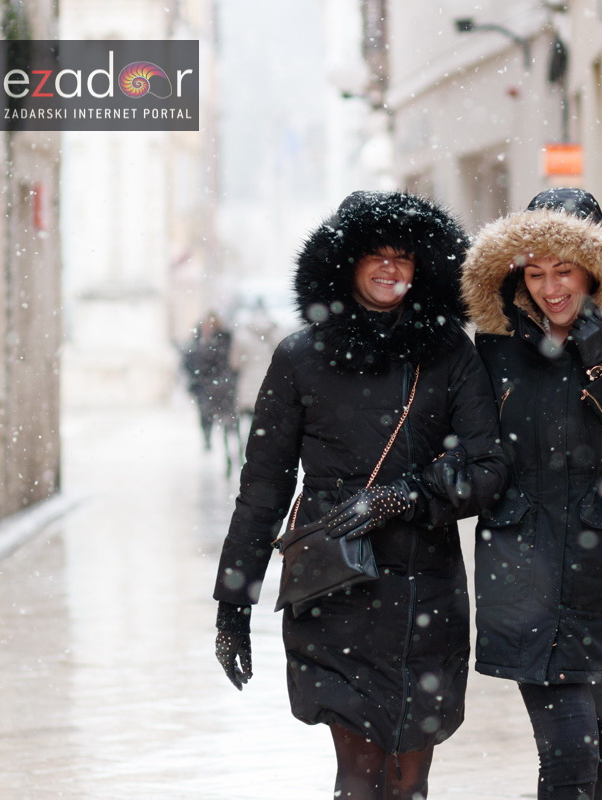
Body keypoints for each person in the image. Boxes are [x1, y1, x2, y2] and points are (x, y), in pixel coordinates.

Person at [212, 191, 509, 799]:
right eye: (374, 255)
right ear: (345, 263)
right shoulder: (300, 357)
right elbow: (264, 488)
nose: (389, 268)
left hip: (425, 587)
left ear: (422, 265)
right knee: (359, 777)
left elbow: (486, 466)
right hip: (336, 588)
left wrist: (405, 496)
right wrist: (233, 601)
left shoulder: (449, 353)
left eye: (402, 256)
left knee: (408, 783)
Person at [460, 187, 602, 800]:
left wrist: (598, 362)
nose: (549, 287)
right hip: (525, 575)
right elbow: (470, 447)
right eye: (534, 273)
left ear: (596, 267)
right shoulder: (497, 346)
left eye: (564, 270)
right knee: (570, 760)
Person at [182, 311, 240, 461]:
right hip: (203, 384)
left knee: (226, 416)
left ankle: (230, 444)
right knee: (205, 414)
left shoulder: (223, 340)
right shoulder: (197, 341)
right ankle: (207, 438)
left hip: (221, 385)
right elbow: (189, 361)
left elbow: (230, 362)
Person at [228, 299, 279, 429]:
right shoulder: (277, 334)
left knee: (250, 419)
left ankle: (251, 443)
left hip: (248, 384)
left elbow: (235, 364)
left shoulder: (242, 335)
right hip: (271, 385)